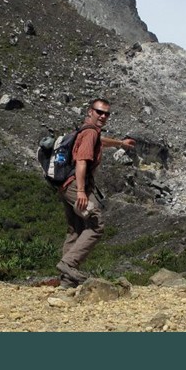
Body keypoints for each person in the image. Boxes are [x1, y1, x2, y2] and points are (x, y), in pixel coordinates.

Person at [56, 97, 136, 287]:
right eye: (99, 112)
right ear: (90, 111)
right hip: (77, 186)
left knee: (76, 229)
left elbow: (100, 141)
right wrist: (82, 192)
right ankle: (68, 264)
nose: (103, 116)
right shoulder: (90, 132)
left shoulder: (85, 131)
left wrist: (120, 143)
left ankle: (66, 282)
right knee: (96, 223)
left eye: (106, 113)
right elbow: (82, 161)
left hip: (65, 185)